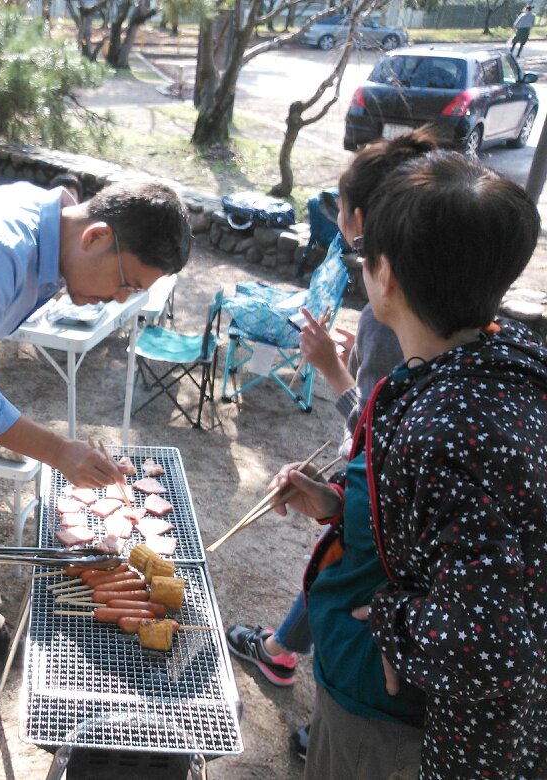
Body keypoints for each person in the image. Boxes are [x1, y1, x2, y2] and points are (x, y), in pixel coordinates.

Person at [271, 150, 546, 778]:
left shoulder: (456, 427)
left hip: (394, 722)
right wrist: (339, 503)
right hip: (369, 693)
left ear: (384, 275)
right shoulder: (487, 368)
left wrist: (394, 623)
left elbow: (491, 642)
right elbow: (446, 527)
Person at [0, 179, 192, 727]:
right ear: (95, 237)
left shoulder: (55, 229)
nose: (119, 299)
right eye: (125, 283)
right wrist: (59, 451)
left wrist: (58, 448)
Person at [226, 132, 434, 696]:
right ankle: (282, 653)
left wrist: (333, 371)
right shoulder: (431, 304)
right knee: (337, 572)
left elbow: (375, 429)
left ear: (359, 217)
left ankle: (303, 680)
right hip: (380, 496)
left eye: (339, 210)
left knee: (343, 578)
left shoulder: (387, 316)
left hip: (379, 494)